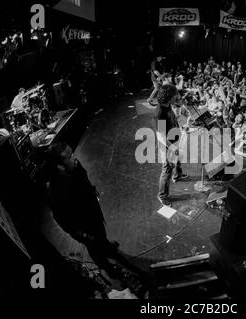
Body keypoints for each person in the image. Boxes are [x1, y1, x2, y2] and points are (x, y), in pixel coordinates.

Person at [47, 142, 148, 297]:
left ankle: (106, 246)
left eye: (72, 153)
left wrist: (92, 190)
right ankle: (109, 269)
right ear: (60, 167)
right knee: (97, 250)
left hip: (94, 216)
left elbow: (84, 178)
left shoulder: (75, 165)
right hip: (85, 229)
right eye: (70, 156)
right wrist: (85, 237)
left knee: (102, 237)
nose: (75, 158)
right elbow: (64, 222)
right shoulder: (56, 193)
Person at [156, 84, 188, 207]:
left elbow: (176, 109)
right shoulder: (160, 113)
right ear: (168, 97)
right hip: (167, 146)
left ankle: (178, 175)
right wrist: (173, 148)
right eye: (174, 95)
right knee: (167, 169)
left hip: (174, 139)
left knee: (178, 159)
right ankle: (162, 195)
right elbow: (161, 137)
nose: (176, 96)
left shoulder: (167, 104)